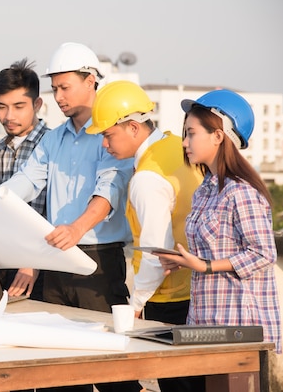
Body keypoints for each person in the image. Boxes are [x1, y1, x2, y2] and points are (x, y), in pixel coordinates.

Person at [0, 43, 141, 392]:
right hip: (56, 261)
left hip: (98, 264)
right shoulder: (54, 139)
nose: (58, 96)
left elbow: (110, 189)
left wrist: (77, 228)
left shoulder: (112, 135)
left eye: (64, 87)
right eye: (54, 88)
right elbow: (26, 181)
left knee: (112, 373)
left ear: (91, 81)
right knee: (59, 374)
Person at [87, 81, 204, 392]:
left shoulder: (146, 178)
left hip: (168, 301)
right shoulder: (177, 146)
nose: (105, 144)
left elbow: (157, 252)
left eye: (108, 135)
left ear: (134, 128)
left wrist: (136, 303)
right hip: (199, 291)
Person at [155, 89, 282, 355]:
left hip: (238, 324)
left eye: (191, 133)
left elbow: (264, 253)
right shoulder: (205, 190)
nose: (184, 142)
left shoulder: (242, 191)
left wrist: (205, 265)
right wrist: (185, 261)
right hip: (205, 319)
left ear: (217, 135)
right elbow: (215, 251)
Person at [0, 58, 49, 301]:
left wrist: (31, 263)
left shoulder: (52, 145)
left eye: (18, 106)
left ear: (37, 104)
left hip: (39, 267)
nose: (8, 116)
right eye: (1, 107)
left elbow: (52, 216)